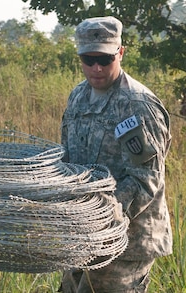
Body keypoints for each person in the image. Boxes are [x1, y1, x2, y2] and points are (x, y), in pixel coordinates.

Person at [59, 16, 172, 292]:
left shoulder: (136, 104)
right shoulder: (78, 97)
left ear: (120, 53)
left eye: (105, 59)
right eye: (89, 59)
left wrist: (101, 217)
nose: (96, 67)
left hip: (126, 242)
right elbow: (67, 159)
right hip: (83, 237)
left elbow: (146, 178)